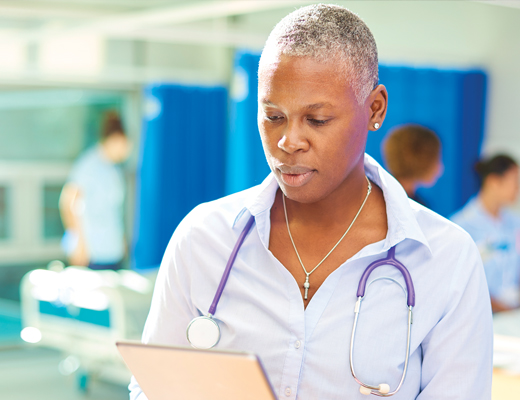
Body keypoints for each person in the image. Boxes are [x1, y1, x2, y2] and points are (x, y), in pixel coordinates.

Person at [130, 4, 492, 399]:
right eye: (273, 116)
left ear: (375, 109)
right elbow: (154, 389)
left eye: (317, 120)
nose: (289, 142)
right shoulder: (204, 238)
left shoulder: (446, 261)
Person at [451, 154, 520, 313]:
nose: (519, 189)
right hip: (479, 314)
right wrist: (503, 311)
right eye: (515, 182)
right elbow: (461, 282)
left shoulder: (519, 225)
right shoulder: (460, 227)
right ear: (493, 181)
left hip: (516, 315)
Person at [59, 111, 131, 271]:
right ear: (116, 139)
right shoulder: (88, 166)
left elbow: (113, 212)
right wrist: (78, 242)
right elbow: (68, 202)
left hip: (113, 252)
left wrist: (121, 240)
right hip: (92, 254)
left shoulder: (114, 170)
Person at [381, 124, 443, 207]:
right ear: (421, 160)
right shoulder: (416, 209)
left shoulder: (375, 194)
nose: (440, 168)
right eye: (436, 159)